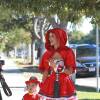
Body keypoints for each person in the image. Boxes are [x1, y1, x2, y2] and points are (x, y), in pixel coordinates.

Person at [39, 28, 77, 100]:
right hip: (49, 85)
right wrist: (42, 85)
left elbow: (70, 71)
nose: (50, 39)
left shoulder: (68, 52)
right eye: (49, 36)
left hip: (65, 85)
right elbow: (46, 72)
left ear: (59, 37)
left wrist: (57, 66)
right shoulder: (47, 54)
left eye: (52, 36)